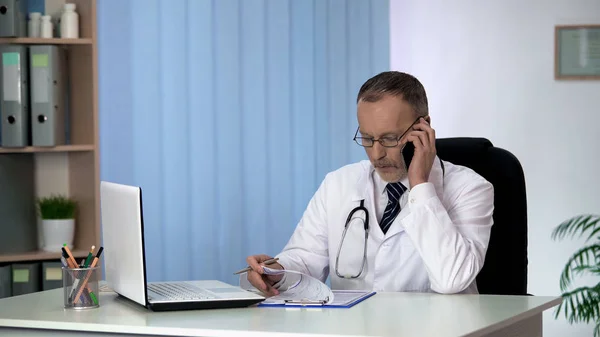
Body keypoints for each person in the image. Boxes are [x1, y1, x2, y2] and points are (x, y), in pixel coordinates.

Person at [245, 71, 494, 296]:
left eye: (389, 139)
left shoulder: (470, 189)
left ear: (423, 126)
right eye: (366, 138)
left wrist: (420, 185)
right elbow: (306, 259)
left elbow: (452, 279)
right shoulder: (338, 184)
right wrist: (275, 272)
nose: (376, 154)